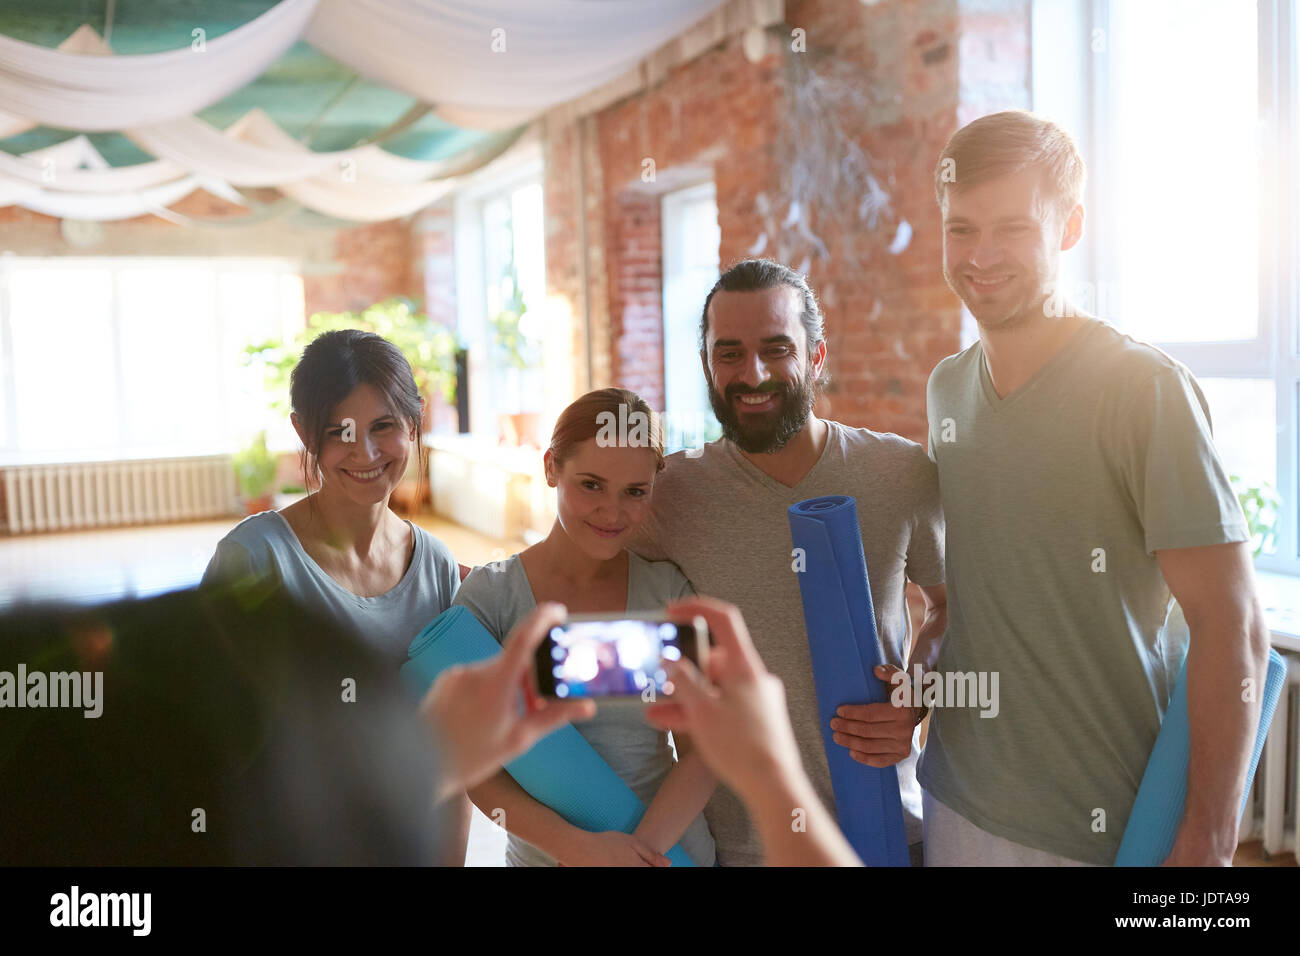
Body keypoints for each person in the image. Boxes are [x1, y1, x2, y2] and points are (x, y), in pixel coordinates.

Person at [919, 110, 1272, 866]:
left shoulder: (1143, 390)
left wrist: (1208, 839)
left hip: (1099, 820)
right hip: (956, 796)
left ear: (1071, 226)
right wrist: (919, 682)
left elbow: (1232, 621)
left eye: (1012, 228)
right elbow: (967, 593)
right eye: (961, 228)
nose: (981, 256)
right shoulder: (948, 389)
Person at [632, 259, 947, 866]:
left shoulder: (900, 474)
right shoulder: (669, 494)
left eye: (777, 349)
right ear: (707, 365)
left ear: (817, 357)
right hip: (742, 844)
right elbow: (585, 583)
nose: (753, 374)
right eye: (729, 354)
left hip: (887, 825)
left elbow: (946, 606)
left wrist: (916, 691)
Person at [200, 328, 466, 859]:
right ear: (304, 431)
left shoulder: (436, 566)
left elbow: (449, 756)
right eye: (339, 431)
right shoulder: (254, 560)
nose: (364, 452)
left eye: (384, 426)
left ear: (414, 424)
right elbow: (212, 748)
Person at [452, 388, 717, 867]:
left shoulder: (669, 594)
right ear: (551, 466)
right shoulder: (490, 599)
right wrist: (578, 850)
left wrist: (640, 854)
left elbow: (704, 753)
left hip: (670, 854)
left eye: (634, 492)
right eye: (591, 484)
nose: (612, 512)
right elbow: (476, 768)